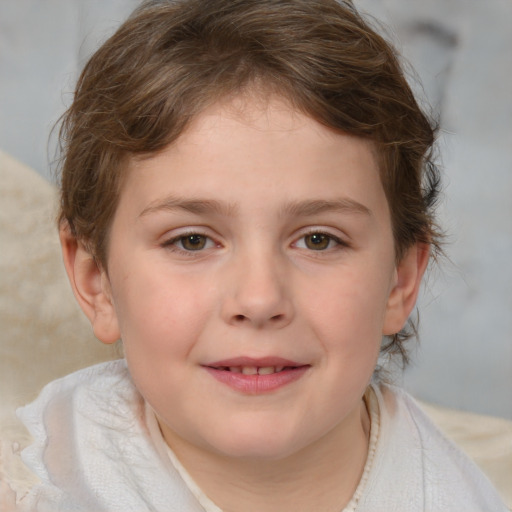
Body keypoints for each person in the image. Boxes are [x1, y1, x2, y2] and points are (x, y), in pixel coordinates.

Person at [11, 0, 507, 510]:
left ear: (400, 279)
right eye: (192, 241)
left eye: (318, 240)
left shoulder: (454, 496)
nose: (259, 297)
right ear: (97, 281)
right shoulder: (37, 483)